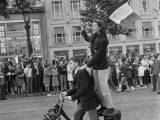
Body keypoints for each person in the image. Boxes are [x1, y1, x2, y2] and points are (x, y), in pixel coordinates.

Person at [81, 20, 114, 113]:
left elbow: (98, 55)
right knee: (98, 88)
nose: (92, 27)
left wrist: (87, 65)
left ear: (100, 27)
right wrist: (83, 31)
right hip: (95, 66)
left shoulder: (104, 40)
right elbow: (88, 39)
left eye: (94, 26)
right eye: (92, 25)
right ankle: (103, 105)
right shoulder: (94, 36)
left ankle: (110, 108)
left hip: (102, 67)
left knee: (104, 88)